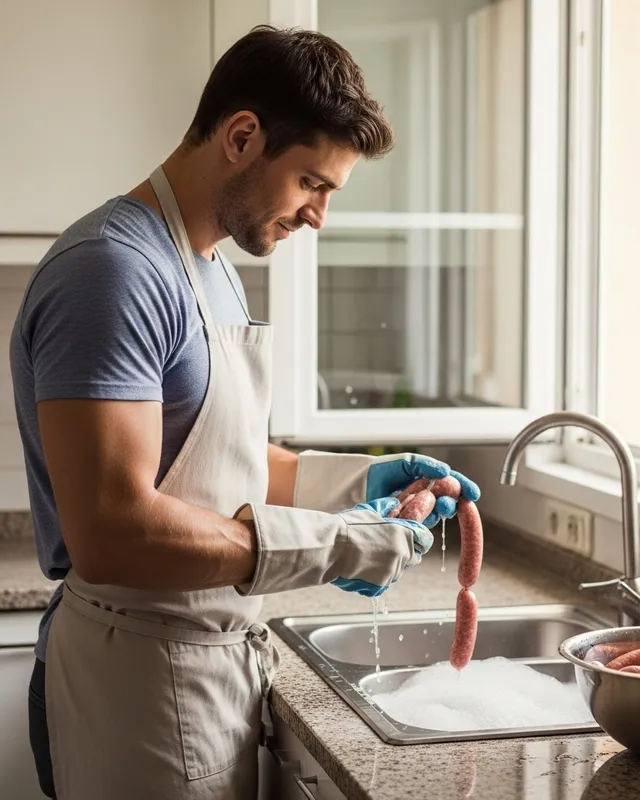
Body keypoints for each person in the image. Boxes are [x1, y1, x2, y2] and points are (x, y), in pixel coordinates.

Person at [9, 25, 480, 800]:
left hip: (210, 667)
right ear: (242, 136)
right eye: (312, 184)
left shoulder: (210, 266)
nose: (319, 215)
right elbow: (110, 530)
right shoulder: (110, 274)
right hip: (135, 687)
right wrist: (332, 546)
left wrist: (354, 484)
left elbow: (216, 464)